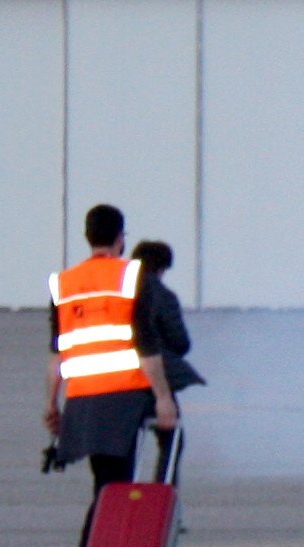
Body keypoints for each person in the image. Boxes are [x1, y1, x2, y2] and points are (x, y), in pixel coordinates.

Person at [45, 203, 180, 495]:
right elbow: (147, 345)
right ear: (121, 238)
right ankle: (105, 539)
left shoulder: (63, 283)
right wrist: (163, 397)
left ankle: (97, 538)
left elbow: (56, 353)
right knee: (116, 483)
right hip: (124, 396)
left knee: (105, 481)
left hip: (82, 396)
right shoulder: (132, 277)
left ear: (88, 236)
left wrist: (51, 403)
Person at [130, 240, 206, 398]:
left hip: (115, 379)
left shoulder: (119, 293)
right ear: (162, 268)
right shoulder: (164, 296)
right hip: (153, 379)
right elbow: (180, 342)